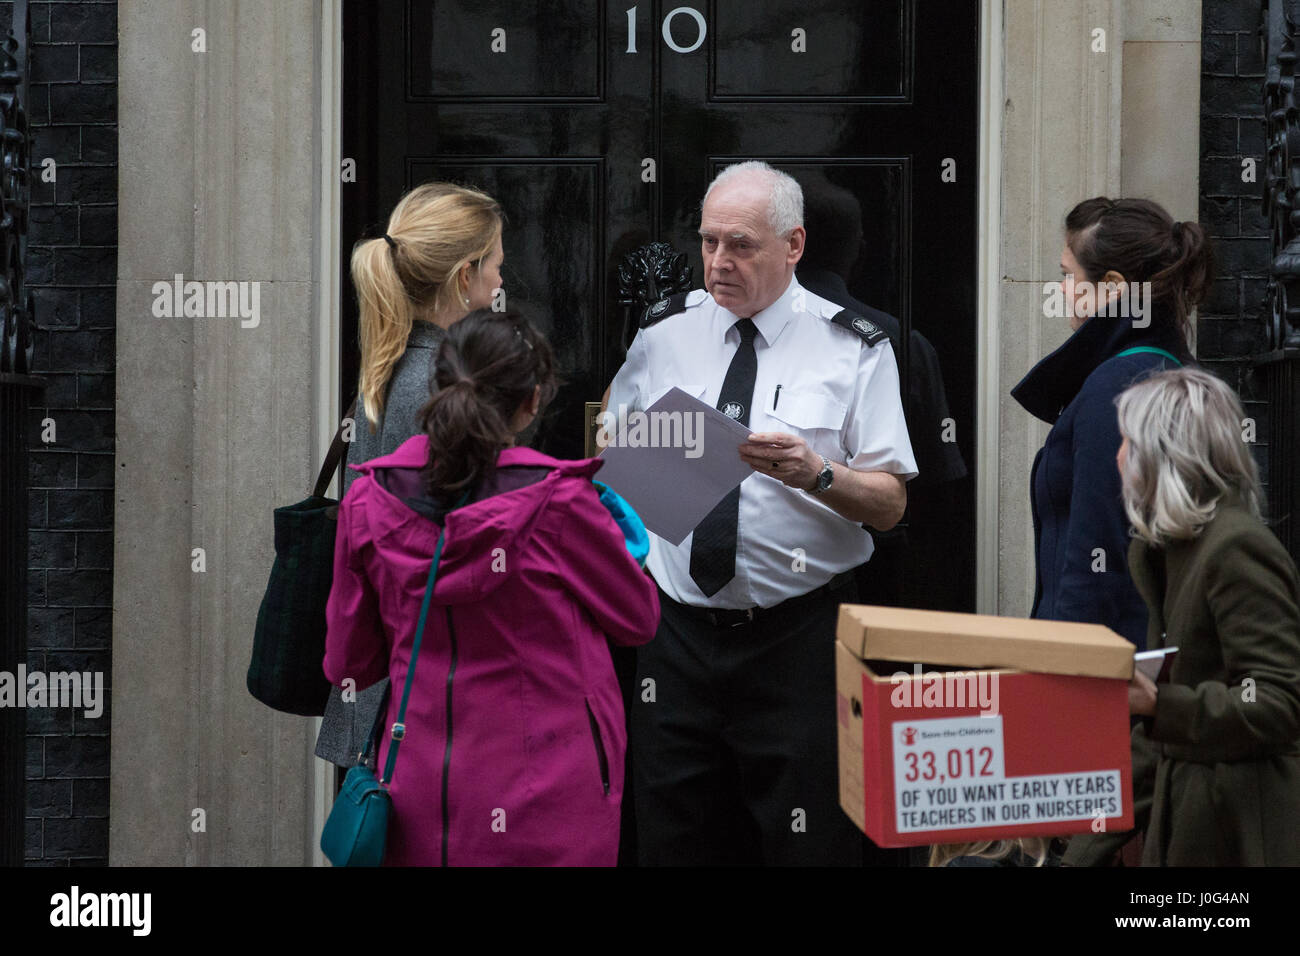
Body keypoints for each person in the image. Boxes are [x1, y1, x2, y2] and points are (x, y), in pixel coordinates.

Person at [604, 160, 918, 865]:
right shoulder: (665, 334)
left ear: (794, 247)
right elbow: (613, 464)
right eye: (709, 241)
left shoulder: (854, 348)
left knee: (809, 841)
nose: (718, 262)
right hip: (676, 635)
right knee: (668, 838)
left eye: (740, 244)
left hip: (797, 638)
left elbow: (892, 504)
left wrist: (819, 474)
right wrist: (652, 468)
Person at [323, 311, 660, 866]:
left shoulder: (366, 501)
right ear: (532, 402)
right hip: (554, 794)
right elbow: (637, 619)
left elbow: (349, 664)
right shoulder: (564, 503)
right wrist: (628, 541)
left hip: (422, 793)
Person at [1064, 367, 1300, 865]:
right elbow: (1156, 746)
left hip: (1239, 836)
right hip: (1191, 829)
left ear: (1162, 455)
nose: (1118, 456)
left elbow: (1280, 705)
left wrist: (1161, 705)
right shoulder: (1170, 550)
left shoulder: (1236, 547)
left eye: (1127, 441)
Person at [316, 182, 506, 772]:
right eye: (497, 264)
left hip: (379, 688)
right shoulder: (447, 386)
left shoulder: (392, 362)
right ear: (465, 277)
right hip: (419, 702)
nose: (502, 281)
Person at [1011, 197, 1212, 651]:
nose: (1061, 290)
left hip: (1103, 675)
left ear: (1113, 287)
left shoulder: (1115, 389)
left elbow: (1094, 561)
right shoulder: (1168, 370)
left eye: (1068, 275)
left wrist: (1069, 676)